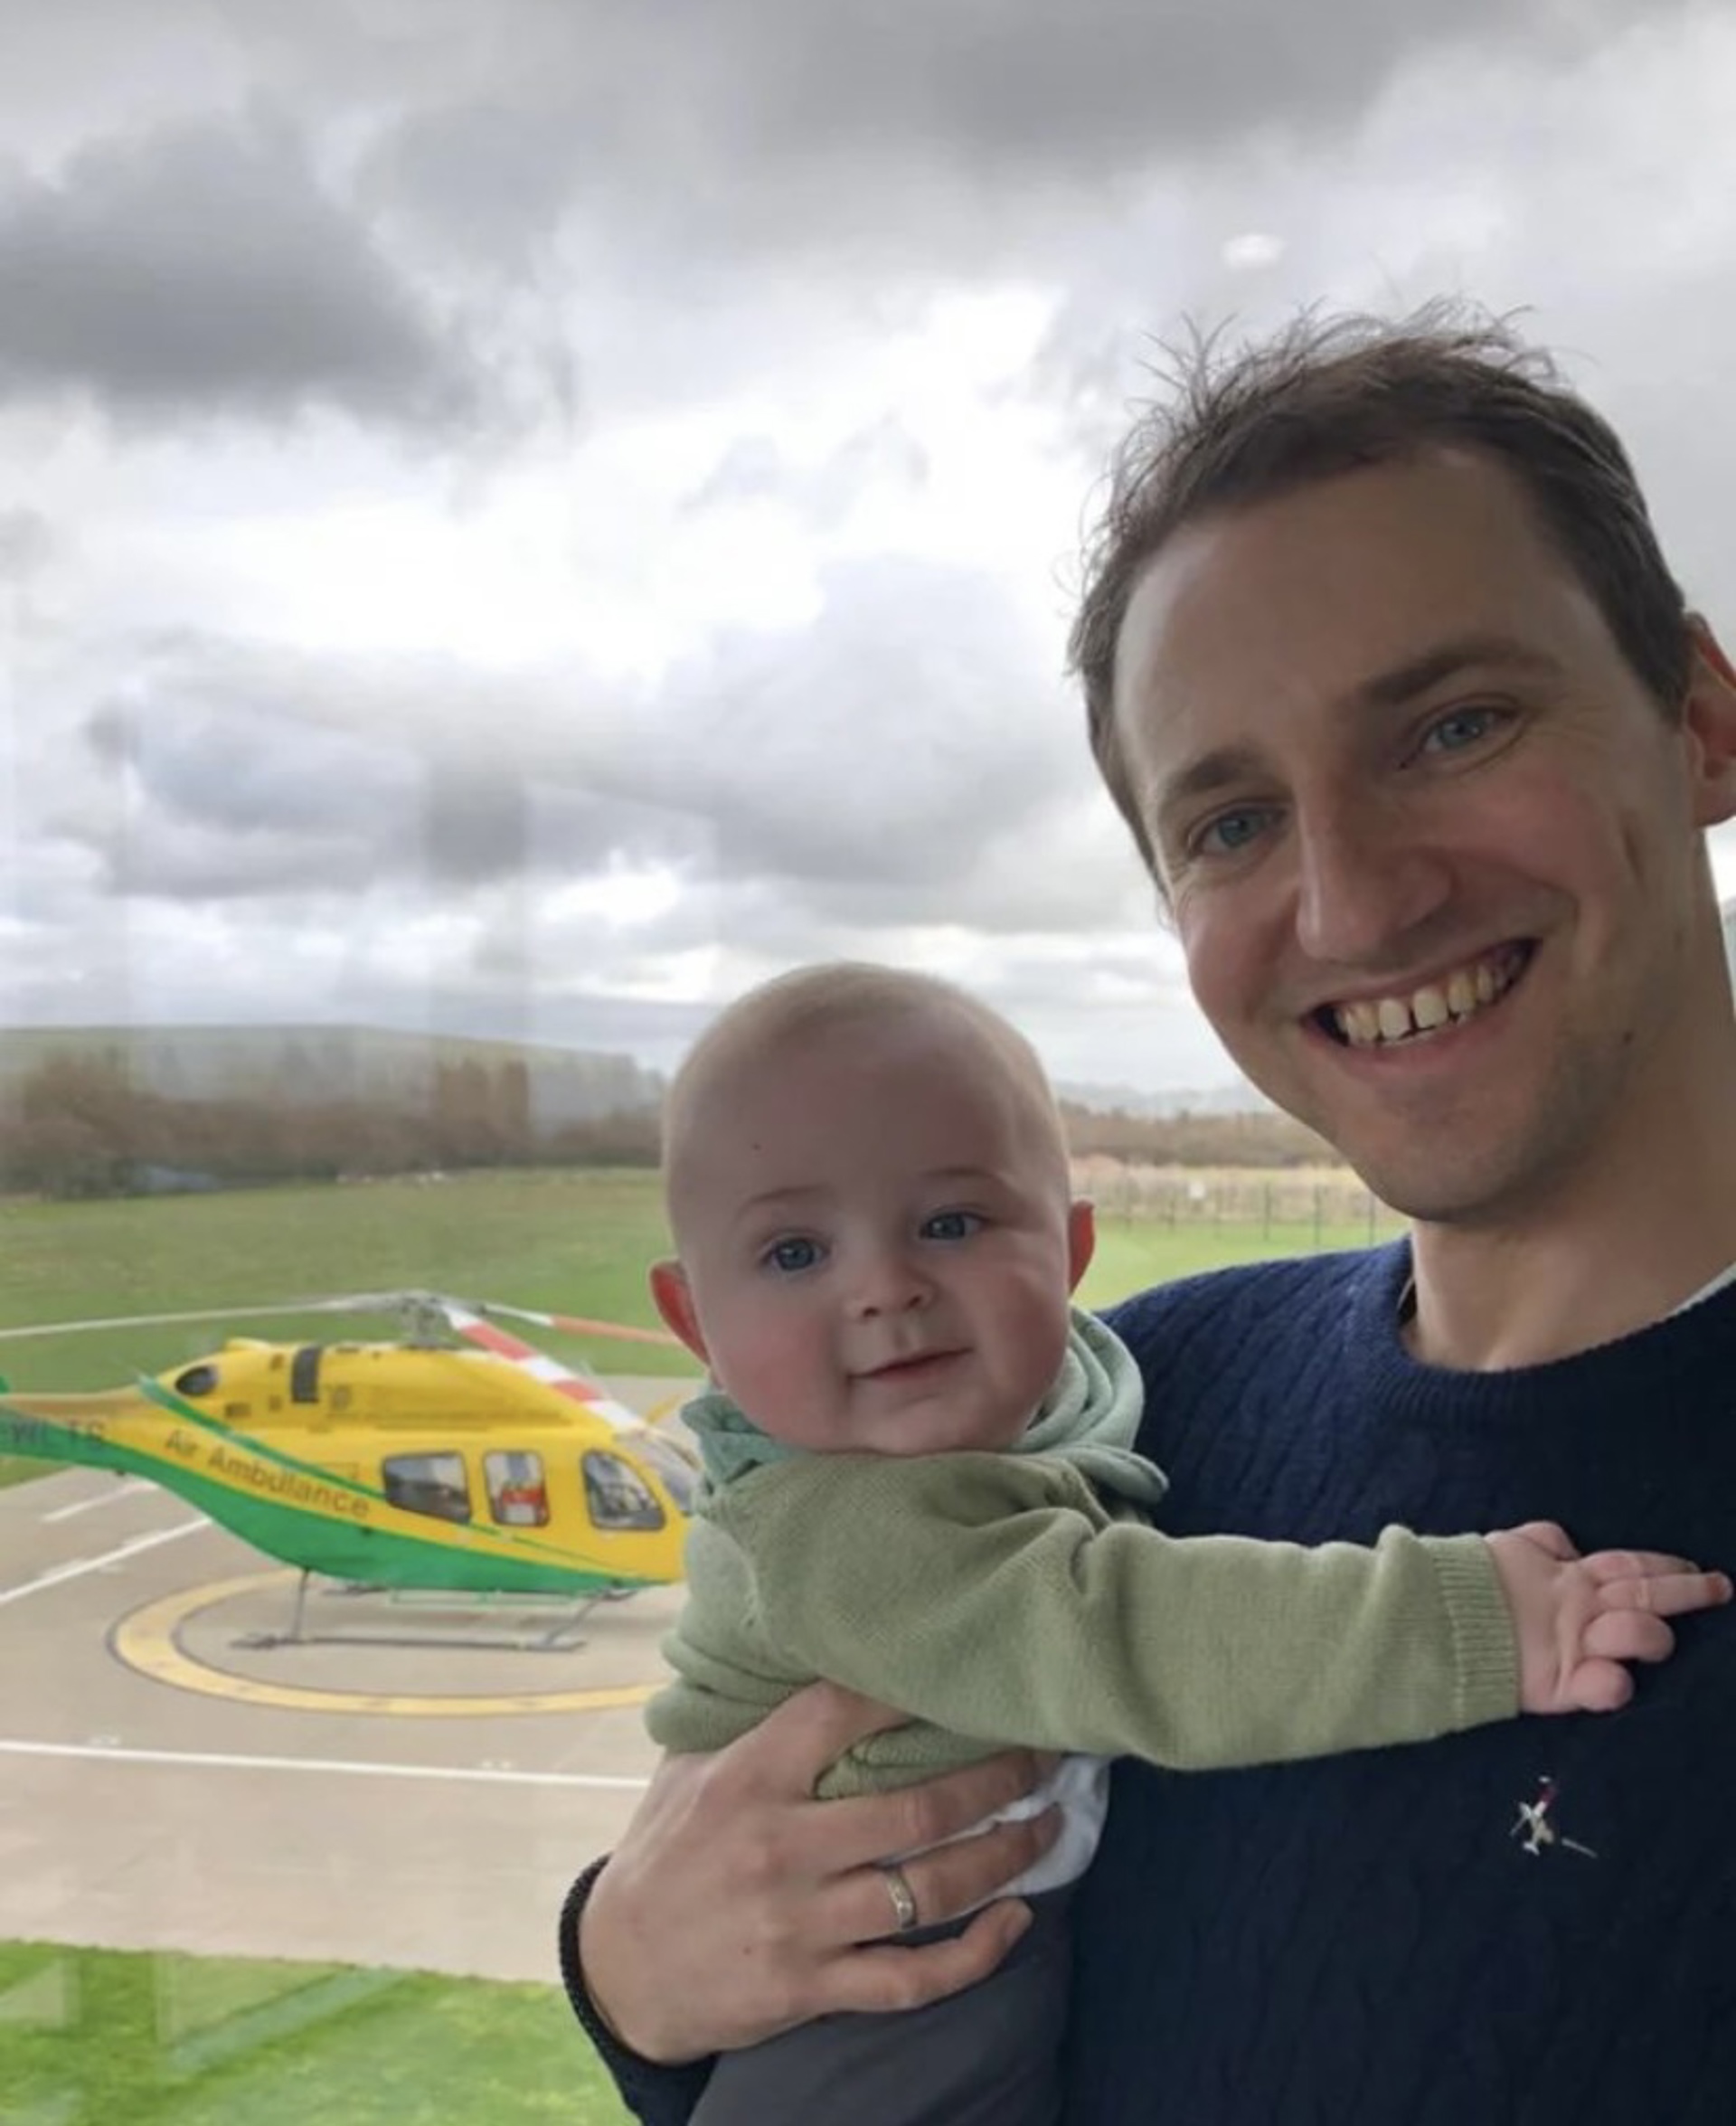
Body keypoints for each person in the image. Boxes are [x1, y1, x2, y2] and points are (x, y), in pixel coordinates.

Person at [560, 304, 1736, 2124]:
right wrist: (627, 1972)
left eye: (1455, 724)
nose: (1348, 905)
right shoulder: (1135, 1400)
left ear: (1703, 720)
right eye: (1231, 822)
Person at [627, 956, 1724, 2126]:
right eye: (795, 1253)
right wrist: (1474, 1616)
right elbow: (1124, 1633)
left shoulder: (1102, 1382)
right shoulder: (838, 1522)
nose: (886, 1288)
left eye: (951, 1222)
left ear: (1071, 1251)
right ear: (695, 1320)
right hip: (879, 2012)